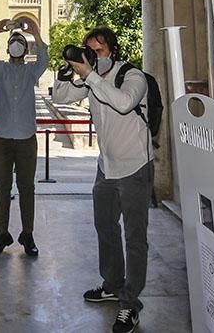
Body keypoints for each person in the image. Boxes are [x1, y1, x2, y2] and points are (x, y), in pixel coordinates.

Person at [52, 27, 151, 333]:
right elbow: (61, 96)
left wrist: (91, 77)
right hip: (106, 167)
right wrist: (68, 73)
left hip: (135, 166)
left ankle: (130, 303)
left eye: (99, 51)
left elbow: (123, 102)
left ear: (113, 50)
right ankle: (112, 284)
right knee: (105, 227)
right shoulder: (91, 80)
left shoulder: (133, 76)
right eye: (89, 51)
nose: (94, 57)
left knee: (135, 237)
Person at [0, 17, 48, 258]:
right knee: (2, 188)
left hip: (26, 138)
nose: (16, 45)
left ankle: (27, 234)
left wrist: (35, 33)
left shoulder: (32, 71)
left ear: (25, 49)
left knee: (27, 187)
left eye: (20, 42)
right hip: (2, 138)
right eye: (13, 41)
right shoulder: (0, 70)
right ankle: (1, 234)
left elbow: (44, 57)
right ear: (7, 48)